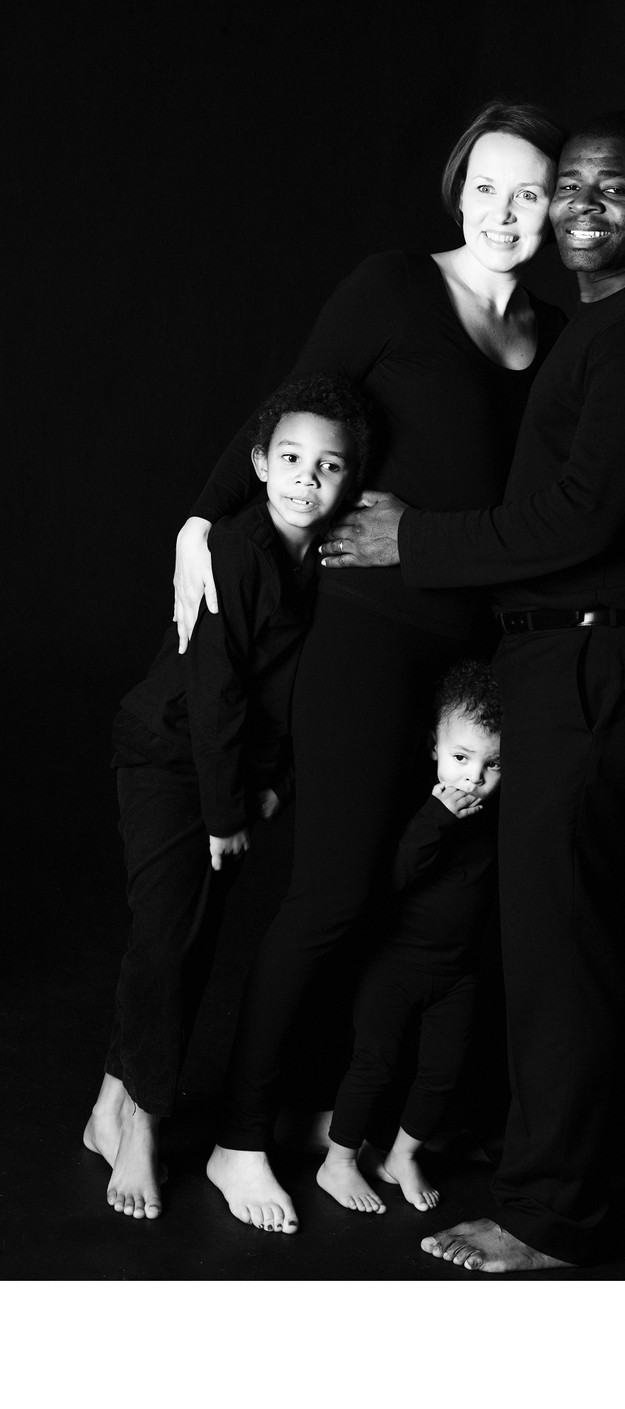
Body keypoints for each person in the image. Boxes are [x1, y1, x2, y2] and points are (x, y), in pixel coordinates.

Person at [172, 101, 625, 1234]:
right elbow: (295, 404)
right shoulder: (391, 288)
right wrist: (200, 517)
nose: (516, 211)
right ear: (457, 190)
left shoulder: (564, 333)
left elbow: (584, 481)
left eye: (536, 190)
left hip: (482, 653)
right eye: (492, 187)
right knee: (330, 890)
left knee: (426, 899)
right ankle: (235, 1134)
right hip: (372, 629)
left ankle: (344, 1118)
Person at [322, 111, 625, 1270]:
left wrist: (410, 538)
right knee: (560, 940)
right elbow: (609, 494)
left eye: (615, 187)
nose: (584, 206)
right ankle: (555, 1159)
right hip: (573, 656)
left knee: (565, 949)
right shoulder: (610, 327)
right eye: (571, 187)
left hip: (600, 664)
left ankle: (553, 1217)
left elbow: (577, 517)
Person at [82, 374, 371, 1220]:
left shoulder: (316, 559)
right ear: (257, 461)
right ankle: (143, 1125)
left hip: (232, 770)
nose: (304, 479)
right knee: (168, 940)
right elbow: (215, 693)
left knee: (184, 942)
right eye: (288, 459)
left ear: (349, 481)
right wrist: (225, 815)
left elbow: (283, 690)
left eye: (327, 467)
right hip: (169, 754)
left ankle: (112, 1099)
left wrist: (272, 783)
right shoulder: (236, 551)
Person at [318, 659, 501, 1215]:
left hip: (457, 972)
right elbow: (391, 880)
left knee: (442, 1073)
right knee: (374, 1064)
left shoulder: (498, 816)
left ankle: (402, 1154)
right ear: (434, 748)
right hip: (394, 965)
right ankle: (339, 1161)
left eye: (493, 765)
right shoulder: (420, 812)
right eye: (461, 758)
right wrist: (437, 818)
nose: (472, 778)